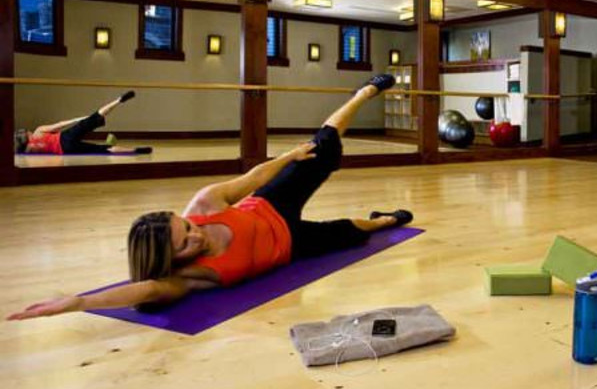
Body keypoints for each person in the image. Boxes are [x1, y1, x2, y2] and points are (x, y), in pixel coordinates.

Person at [8, 74, 413, 320]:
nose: (194, 236)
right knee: (354, 232)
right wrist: (78, 302)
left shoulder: (202, 205)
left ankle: (362, 94)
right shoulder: (185, 278)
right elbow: (146, 291)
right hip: (291, 244)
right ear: (169, 260)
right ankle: (384, 218)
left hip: (269, 204)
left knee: (322, 146)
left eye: (186, 228)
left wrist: (291, 155)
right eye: (185, 243)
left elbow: (253, 178)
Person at [14, 91, 152, 155]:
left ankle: (137, 150)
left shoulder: (28, 150)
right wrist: (78, 120)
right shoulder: (39, 131)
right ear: (26, 133)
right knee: (97, 114)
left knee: (103, 149)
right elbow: (60, 124)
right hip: (65, 137)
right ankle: (118, 100)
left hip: (66, 150)